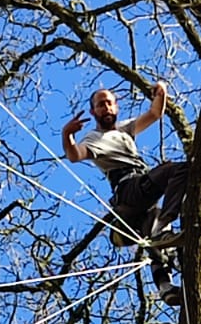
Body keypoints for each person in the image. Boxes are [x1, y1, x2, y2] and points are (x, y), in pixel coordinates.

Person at [62, 83, 187, 307]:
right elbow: (75, 155)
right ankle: (164, 224)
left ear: (116, 106)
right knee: (176, 170)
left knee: (159, 237)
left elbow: (155, 113)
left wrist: (161, 91)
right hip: (128, 188)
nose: (106, 108)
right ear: (93, 112)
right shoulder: (93, 139)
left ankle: (165, 288)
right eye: (101, 105)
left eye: (109, 103)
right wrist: (67, 135)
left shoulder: (125, 130)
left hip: (142, 196)